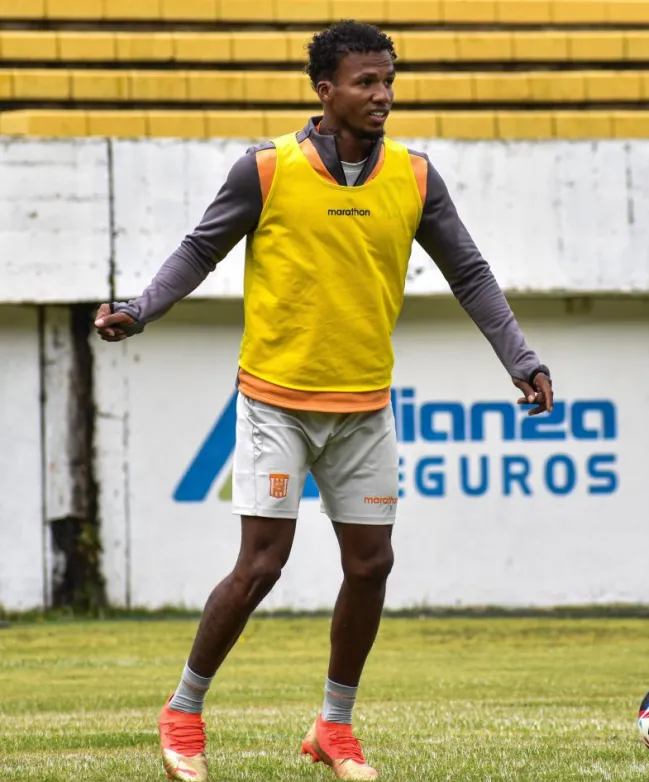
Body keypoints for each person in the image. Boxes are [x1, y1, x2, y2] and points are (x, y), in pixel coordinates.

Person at [93, 19, 553, 782]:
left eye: (389, 81)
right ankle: (183, 712)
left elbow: (469, 272)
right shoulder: (266, 170)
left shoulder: (415, 176)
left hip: (365, 406)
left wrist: (520, 358)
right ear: (325, 90)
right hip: (275, 402)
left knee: (371, 565)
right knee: (261, 566)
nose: (383, 95)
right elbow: (200, 250)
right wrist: (141, 309)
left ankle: (334, 727)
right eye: (366, 82)